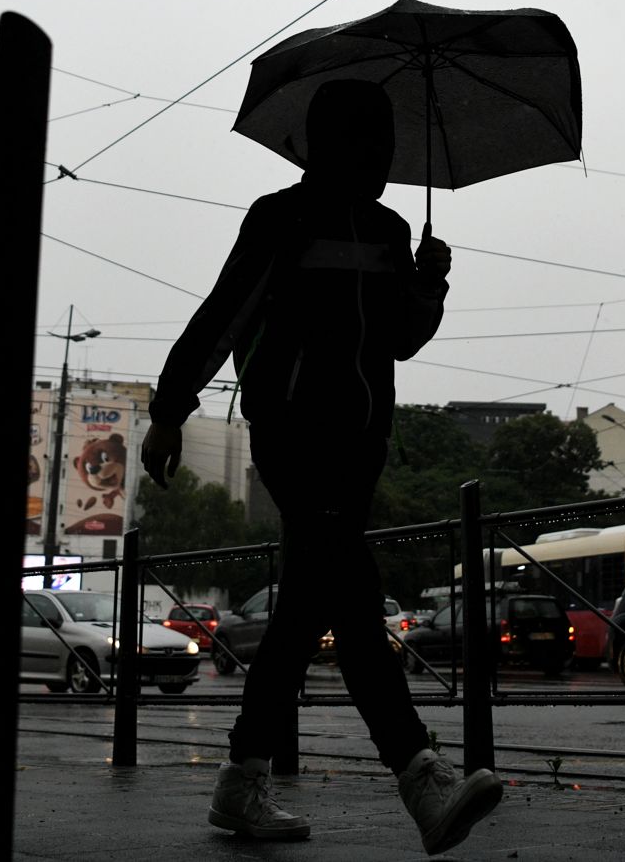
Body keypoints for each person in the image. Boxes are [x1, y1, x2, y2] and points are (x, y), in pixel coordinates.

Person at [141, 80, 503, 856]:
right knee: (351, 589)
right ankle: (419, 775)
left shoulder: (391, 227)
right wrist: (170, 410)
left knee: (308, 605)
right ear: (323, 144)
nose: (380, 155)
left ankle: (240, 784)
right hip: (291, 433)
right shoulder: (280, 218)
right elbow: (224, 311)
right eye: (365, 139)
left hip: (361, 443)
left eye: (385, 141)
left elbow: (401, 338)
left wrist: (429, 279)